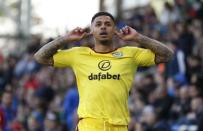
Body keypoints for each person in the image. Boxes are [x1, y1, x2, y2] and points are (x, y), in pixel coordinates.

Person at [34, 12, 173, 131]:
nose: (103, 27)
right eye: (98, 24)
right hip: (90, 126)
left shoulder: (131, 53)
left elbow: (167, 55)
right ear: (92, 30)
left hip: (120, 126)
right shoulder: (78, 54)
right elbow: (40, 57)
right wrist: (65, 39)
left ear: (115, 30)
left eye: (108, 24)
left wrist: (138, 38)